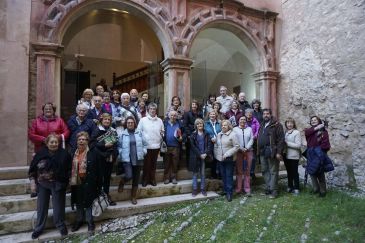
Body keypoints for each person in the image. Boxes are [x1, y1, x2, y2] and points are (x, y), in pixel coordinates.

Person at [28, 134, 71, 239]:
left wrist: (68, 183)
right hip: (42, 184)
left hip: (58, 183)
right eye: (51, 142)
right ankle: (39, 228)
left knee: (58, 207)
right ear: (47, 143)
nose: (54, 144)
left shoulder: (64, 154)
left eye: (56, 142)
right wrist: (32, 182)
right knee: (42, 207)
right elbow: (33, 169)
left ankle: (61, 226)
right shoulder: (40, 153)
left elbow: (69, 170)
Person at [70, 132, 102, 233]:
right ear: (77, 141)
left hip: (89, 181)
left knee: (88, 202)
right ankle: (79, 220)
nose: (81, 141)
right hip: (77, 181)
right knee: (79, 202)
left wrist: (99, 184)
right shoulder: (72, 153)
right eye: (79, 139)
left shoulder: (93, 153)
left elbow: (99, 170)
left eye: (84, 139)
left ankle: (89, 221)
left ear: (87, 141)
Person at [90, 113, 118, 206]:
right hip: (99, 159)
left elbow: (115, 144)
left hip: (109, 159)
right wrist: (104, 145)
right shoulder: (97, 130)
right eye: (105, 119)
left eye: (108, 120)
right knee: (99, 179)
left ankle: (106, 197)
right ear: (101, 121)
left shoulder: (113, 131)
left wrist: (114, 155)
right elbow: (92, 144)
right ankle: (98, 198)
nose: (107, 121)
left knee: (107, 179)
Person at [117, 116, 147, 204]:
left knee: (136, 179)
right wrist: (121, 153)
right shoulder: (122, 134)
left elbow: (145, 144)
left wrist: (144, 152)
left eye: (132, 122)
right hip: (127, 159)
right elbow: (118, 146)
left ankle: (133, 197)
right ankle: (122, 182)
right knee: (129, 176)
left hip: (138, 158)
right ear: (126, 124)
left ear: (134, 124)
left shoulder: (139, 133)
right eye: (128, 123)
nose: (130, 124)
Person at [257, 108, 285, 199]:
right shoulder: (262, 124)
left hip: (272, 151)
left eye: (267, 113)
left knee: (273, 171)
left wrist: (278, 152)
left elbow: (281, 140)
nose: (265, 115)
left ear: (271, 115)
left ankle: (274, 190)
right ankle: (269, 187)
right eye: (264, 114)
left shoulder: (277, 125)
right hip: (262, 151)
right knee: (264, 170)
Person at [137, 103, 164, 187]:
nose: (152, 110)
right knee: (146, 164)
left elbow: (163, 131)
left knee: (153, 164)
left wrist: (161, 135)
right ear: (148, 110)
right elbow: (138, 131)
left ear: (156, 110)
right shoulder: (143, 120)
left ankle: (152, 179)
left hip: (156, 146)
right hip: (146, 146)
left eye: (154, 109)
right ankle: (145, 180)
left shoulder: (159, 120)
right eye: (151, 109)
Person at [305, 116, 331, 197]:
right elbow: (307, 133)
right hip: (310, 153)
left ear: (319, 121)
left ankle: (322, 191)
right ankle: (315, 189)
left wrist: (320, 150)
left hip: (319, 153)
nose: (313, 121)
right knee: (311, 171)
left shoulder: (324, 131)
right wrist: (317, 127)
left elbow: (326, 144)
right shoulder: (309, 131)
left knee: (320, 172)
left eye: (315, 120)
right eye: (312, 120)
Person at [214, 120, 239, 202]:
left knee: (229, 176)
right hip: (220, 159)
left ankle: (229, 193)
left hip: (229, 159)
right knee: (223, 175)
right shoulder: (219, 134)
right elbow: (216, 146)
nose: (223, 126)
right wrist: (216, 155)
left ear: (229, 126)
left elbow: (236, 146)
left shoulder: (233, 134)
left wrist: (227, 154)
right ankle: (225, 190)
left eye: (225, 125)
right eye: (222, 125)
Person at [189, 118, 213, 197]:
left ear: (203, 125)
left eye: (201, 124)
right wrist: (200, 154)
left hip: (204, 157)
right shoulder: (193, 135)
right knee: (195, 174)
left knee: (203, 174)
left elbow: (209, 145)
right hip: (196, 157)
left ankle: (203, 189)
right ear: (196, 125)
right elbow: (193, 147)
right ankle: (195, 189)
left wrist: (205, 153)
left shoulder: (207, 134)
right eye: (198, 124)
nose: (200, 125)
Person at [233, 116, 254, 196]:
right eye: (241, 119)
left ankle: (247, 188)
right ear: (238, 120)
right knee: (239, 171)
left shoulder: (249, 129)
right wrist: (241, 148)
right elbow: (234, 140)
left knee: (247, 170)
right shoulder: (235, 129)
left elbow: (252, 139)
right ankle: (238, 189)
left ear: (246, 121)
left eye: (244, 119)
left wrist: (247, 148)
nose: (243, 121)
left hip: (248, 152)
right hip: (239, 152)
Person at [163, 110, 183, 184]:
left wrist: (182, 138)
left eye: (174, 115)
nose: (173, 117)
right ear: (168, 116)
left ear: (176, 116)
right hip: (166, 146)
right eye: (171, 115)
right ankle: (166, 178)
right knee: (167, 163)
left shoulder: (179, 124)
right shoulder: (165, 123)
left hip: (176, 146)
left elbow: (183, 133)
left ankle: (174, 177)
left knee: (175, 163)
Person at [284, 117, 302, 195]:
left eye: (291, 123)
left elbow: (298, 145)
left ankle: (297, 188)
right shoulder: (286, 132)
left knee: (294, 172)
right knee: (289, 172)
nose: (289, 124)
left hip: (294, 156)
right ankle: (290, 186)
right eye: (288, 123)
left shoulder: (296, 132)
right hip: (286, 155)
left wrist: (287, 143)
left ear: (293, 124)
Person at [204, 110, 222, 179]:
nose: (212, 115)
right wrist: (211, 138)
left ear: (216, 115)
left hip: (219, 143)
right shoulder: (206, 124)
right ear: (208, 115)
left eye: (214, 114)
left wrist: (217, 138)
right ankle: (213, 174)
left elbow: (222, 131)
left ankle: (220, 173)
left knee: (219, 158)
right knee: (213, 159)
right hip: (210, 143)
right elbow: (205, 133)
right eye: (211, 114)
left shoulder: (219, 123)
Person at [245, 108, 261, 179]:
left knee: (253, 158)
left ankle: (252, 172)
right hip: (245, 141)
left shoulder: (255, 121)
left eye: (250, 113)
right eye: (247, 113)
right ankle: (246, 172)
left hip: (254, 141)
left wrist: (255, 135)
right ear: (245, 114)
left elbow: (258, 128)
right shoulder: (243, 120)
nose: (249, 114)